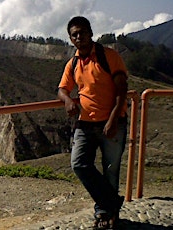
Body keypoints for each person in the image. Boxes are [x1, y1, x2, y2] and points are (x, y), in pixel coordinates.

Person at [57, 16, 128, 229]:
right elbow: (61, 89)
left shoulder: (109, 56)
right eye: (74, 34)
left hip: (112, 121)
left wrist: (113, 119)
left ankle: (107, 214)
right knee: (78, 163)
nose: (79, 37)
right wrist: (68, 100)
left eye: (82, 32)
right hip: (86, 123)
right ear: (71, 39)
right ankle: (112, 204)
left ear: (91, 33)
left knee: (111, 170)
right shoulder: (74, 63)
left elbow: (121, 89)